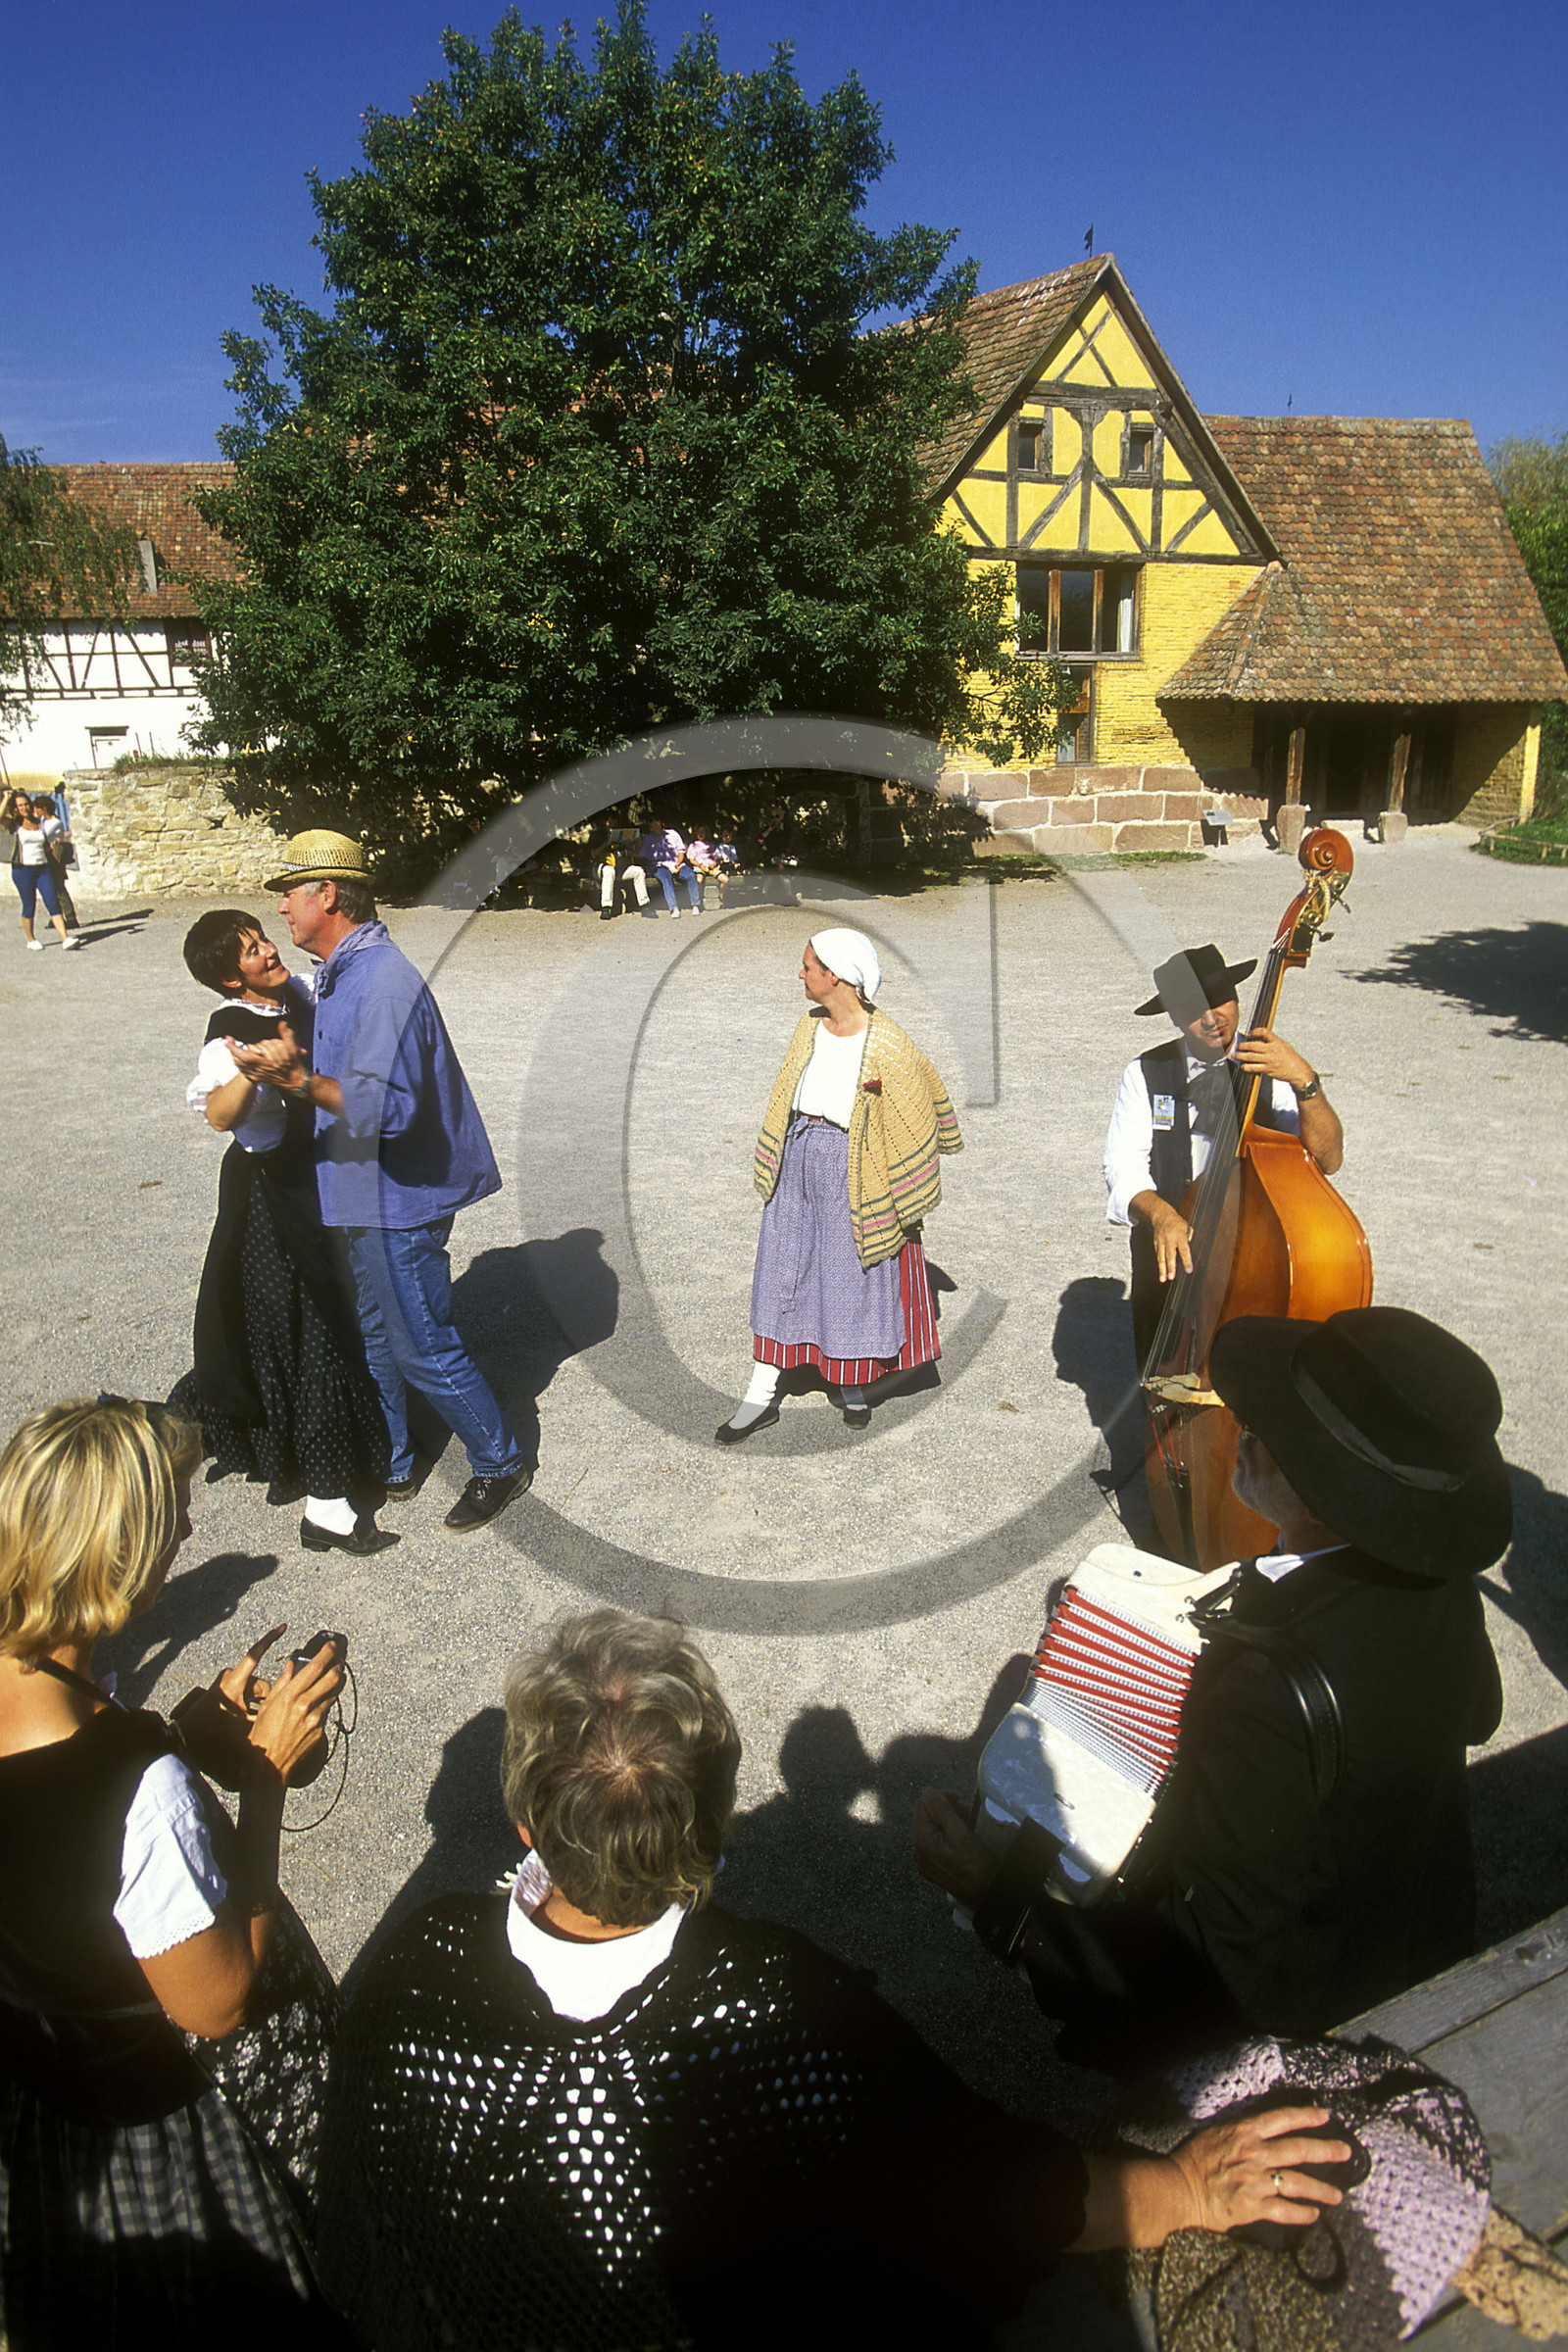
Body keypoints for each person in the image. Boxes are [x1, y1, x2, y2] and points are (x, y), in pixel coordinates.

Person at [315, 1608, 1346, 2352]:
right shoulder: (779, 2009)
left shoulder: (419, 1960)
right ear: (717, 1821)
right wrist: (1178, 2188)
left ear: (525, 1821)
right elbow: (974, 2186)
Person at [913, 1304, 1509, 2075]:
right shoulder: (1440, 1582)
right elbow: (1479, 1710)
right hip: (1415, 1953)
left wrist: (997, 1897)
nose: (1242, 1431)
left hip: (1309, 2042)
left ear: (1333, 1494)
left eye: (1271, 1431)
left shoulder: (1270, 1687)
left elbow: (1210, 1980)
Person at [0, 1396, 349, 2343]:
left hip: (41, 2105)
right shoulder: (138, 1792)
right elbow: (217, 2001)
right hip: (153, 2133)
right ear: (124, 1559)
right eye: (177, 1517)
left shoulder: (46, 1700)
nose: (191, 1530)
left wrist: (176, 1734)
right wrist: (264, 1781)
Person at [228, 831, 528, 1534]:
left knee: (422, 1342)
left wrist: (295, 1079)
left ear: (327, 894)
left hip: (400, 1196)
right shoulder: (340, 970)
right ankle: (394, 1457)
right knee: (374, 1334)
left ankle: (498, 1461)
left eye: (289, 891)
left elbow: (389, 1108)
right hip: (363, 1190)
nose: (280, 906)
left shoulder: (382, 981)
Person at [176, 908, 393, 1556]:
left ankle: (190, 1416)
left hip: (317, 1181)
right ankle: (326, 1505)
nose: (266, 950)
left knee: (324, 1316)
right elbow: (217, 1115)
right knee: (309, 1328)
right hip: (270, 1196)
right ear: (227, 978)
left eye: (261, 939)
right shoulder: (228, 1037)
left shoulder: (296, 990)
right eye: (248, 952)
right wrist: (252, 1074)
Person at [717, 927, 958, 1441]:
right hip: (798, 1155)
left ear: (837, 976)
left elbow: (916, 1109)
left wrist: (900, 1192)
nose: (800, 974)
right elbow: (786, 1091)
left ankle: (849, 1382)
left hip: (854, 1168)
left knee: (849, 1275)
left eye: (808, 966)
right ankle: (761, 1392)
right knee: (782, 1267)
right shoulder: (808, 1027)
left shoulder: (887, 1042)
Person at [1103, 942, 1344, 1362]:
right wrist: (1162, 1216)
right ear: (1175, 1017)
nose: (1213, 1018)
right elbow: (1123, 1166)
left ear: (1237, 998)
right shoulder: (1145, 1073)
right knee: (1162, 1375)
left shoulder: (1272, 1065)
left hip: (1255, 1253)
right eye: (1195, 1010)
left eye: (1220, 1002)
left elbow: (1327, 1159)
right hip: (1171, 1255)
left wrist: (1305, 1081)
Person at [4, 786, 76, 953]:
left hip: (43, 868)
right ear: (15, 808)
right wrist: (6, 799)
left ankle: (65, 938)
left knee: (52, 901)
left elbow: (43, 844)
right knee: (29, 905)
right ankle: (31, 939)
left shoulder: (39, 822)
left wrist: (51, 846)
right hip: (23, 870)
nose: (24, 808)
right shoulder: (15, 824)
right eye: (20, 805)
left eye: (26, 804)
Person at [639, 818, 701, 916]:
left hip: (676, 863)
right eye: (654, 824)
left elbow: (681, 851)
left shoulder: (672, 834)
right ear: (651, 828)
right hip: (659, 865)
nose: (657, 826)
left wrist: (678, 864)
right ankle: (674, 908)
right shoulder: (647, 838)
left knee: (691, 875)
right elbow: (642, 854)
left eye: (658, 823)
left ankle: (695, 905)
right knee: (666, 879)